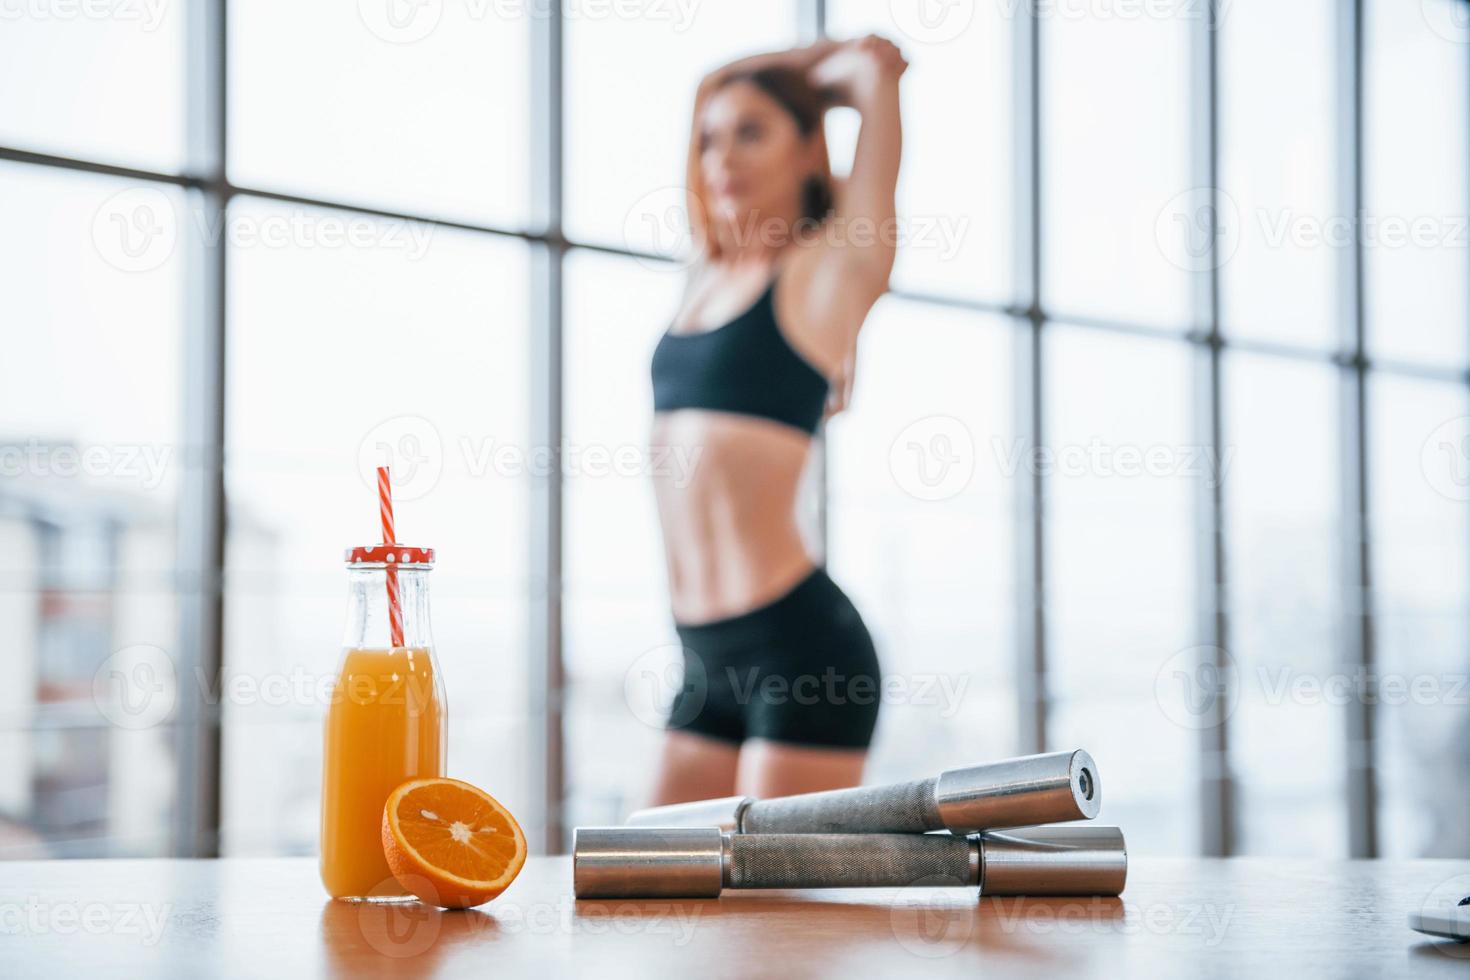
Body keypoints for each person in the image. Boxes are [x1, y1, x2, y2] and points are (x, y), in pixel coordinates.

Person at [645, 35, 907, 804]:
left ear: (808, 150)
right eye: (709, 139)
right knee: (645, 890)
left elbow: (873, 68)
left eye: (752, 132)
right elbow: (707, 94)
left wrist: (832, 70)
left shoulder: (828, 273)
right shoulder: (707, 274)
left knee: (776, 922)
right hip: (700, 656)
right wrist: (738, 84)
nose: (722, 156)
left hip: (801, 653)